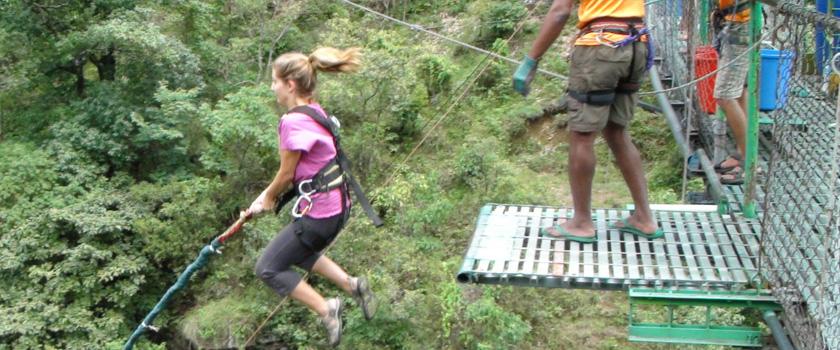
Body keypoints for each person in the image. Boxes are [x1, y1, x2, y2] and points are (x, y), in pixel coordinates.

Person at [245, 47, 376, 347]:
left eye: (275, 81)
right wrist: (267, 198)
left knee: (268, 267)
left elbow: (287, 174)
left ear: (290, 84)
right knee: (299, 251)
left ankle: (326, 309)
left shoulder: (292, 122)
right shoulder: (315, 111)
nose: (272, 87)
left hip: (321, 214)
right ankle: (351, 284)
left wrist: (267, 198)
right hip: (338, 207)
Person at [512, 0, 662, 243]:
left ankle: (581, 222)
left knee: (582, 136)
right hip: (636, 44)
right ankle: (644, 217)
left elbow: (561, 11)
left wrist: (531, 60)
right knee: (617, 132)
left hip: (600, 48)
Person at [713, 0, 753, 184]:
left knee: (725, 95)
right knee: (739, 90)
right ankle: (742, 153)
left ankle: (749, 162)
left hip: (740, 24)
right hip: (736, 21)